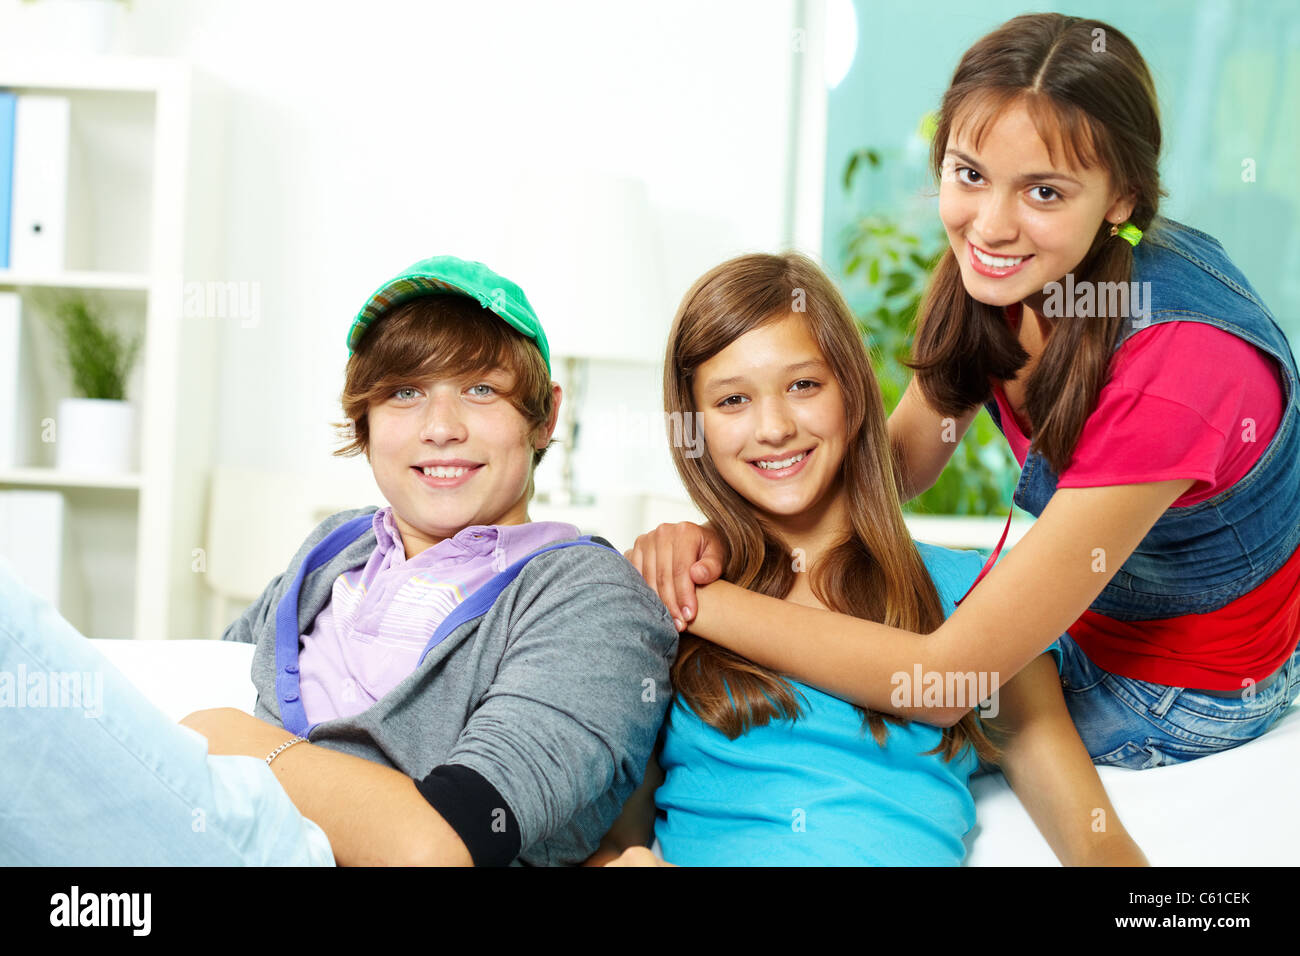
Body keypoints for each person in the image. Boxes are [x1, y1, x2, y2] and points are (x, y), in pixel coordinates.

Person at [626, 13, 1300, 771]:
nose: (991, 225)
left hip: (1180, 689)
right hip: (1075, 627)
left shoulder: (1181, 365)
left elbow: (951, 681)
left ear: (1121, 200)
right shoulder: (1007, 271)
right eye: (969, 174)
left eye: (1044, 192)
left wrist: (696, 601)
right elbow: (897, 468)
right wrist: (718, 542)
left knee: (837, 733)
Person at [0, 255, 677, 866]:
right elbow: (207, 688)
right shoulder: (334, 550)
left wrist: (244, 745)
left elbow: (439, 846)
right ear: (366, 421)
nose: (440, 427)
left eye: (479, 390)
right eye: (404, 393)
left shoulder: (589, 596)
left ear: (544, 416)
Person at [588, 251, 1144, 865]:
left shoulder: (977, 603)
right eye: (732, 401)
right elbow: (612, 840)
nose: (772, 428)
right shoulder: (664, 596)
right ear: (693, 427)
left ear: (852, 396)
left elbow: (1095, 841)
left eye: (803, 385)